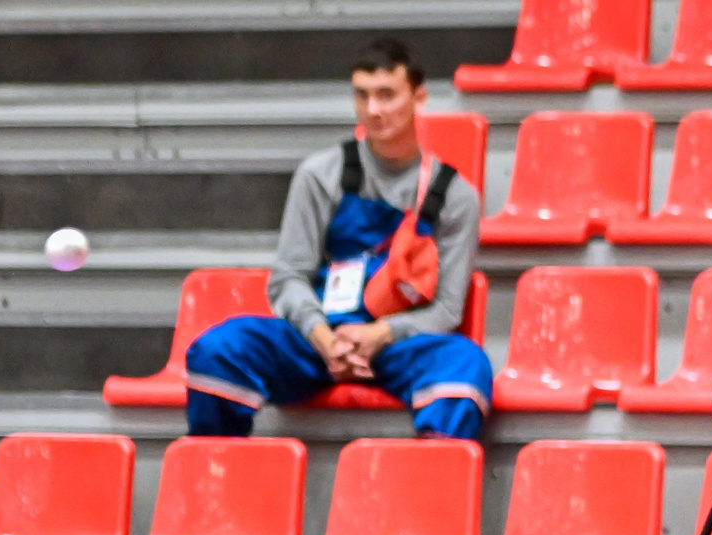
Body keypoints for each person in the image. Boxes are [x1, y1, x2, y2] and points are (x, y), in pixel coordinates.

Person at [184, 38, 492, 439]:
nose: (373, 109)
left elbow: (448, 309)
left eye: (387, 95)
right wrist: (324, 338)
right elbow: (289, 277)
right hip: (317, 339)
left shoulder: (455, 197)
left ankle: (428, 477)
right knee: (218, 350)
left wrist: (379, 334)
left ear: (419, 98)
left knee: (467, 366)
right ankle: (219, 472)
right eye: (362, 95)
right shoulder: (319, 174)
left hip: (396, 344)